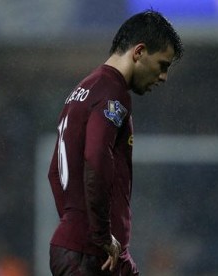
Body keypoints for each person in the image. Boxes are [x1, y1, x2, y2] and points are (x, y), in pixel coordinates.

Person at [47, 9, 184, 276]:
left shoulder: (84, 89)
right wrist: (99, 235)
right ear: (139, 52)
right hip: (92, 254)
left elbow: (55, 172)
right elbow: (96, 159)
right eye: (162, 65)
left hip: (89, 249)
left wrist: (75, 227)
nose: (163, 77)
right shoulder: (112, 93)